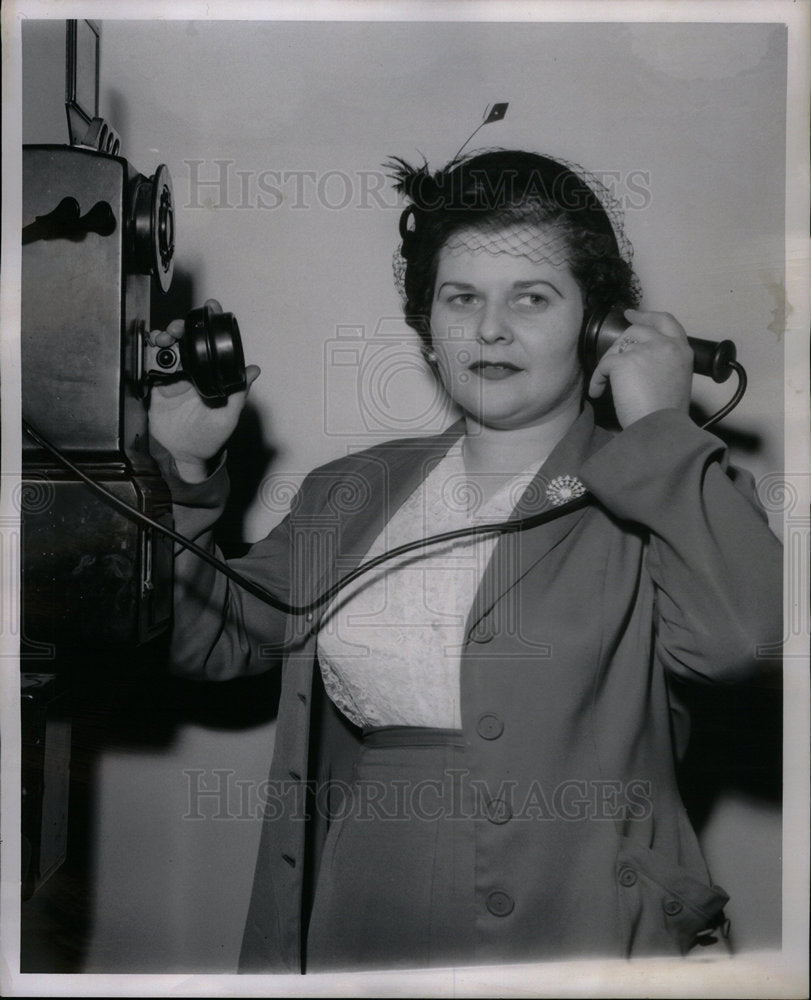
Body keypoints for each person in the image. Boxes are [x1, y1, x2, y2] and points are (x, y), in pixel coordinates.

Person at [147, 149, 782, 973]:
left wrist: (660, 428)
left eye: (532, 298)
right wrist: (188, 475)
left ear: (599, 326)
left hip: (588, 932)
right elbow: (205, 638)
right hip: (365, 926)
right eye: (461, 299)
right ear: (428, 326)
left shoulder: (669, 486)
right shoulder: (352, 490)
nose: (490, 330)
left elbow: (749, 645)